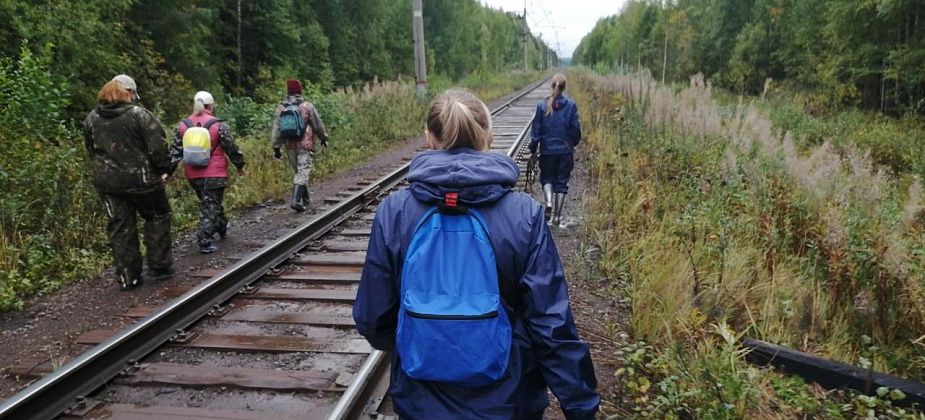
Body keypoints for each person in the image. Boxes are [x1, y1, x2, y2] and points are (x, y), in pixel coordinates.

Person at [353, 89, 600, 419]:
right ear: (488, 135)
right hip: (508, 399)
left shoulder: (394, 212)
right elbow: (551, 325)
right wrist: (578, 403)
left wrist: (424, 339)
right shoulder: (524, 214)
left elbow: (373, 318)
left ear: (429, 137)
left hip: (420, 400)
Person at [82, 75, 173, 291]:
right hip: (143, 180)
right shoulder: (139, 115)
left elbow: (91, 150)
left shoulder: (91, 119)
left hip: (108, 184)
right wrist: (164, 170)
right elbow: (158, 148)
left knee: (120, 227)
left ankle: (128, 276)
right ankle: (159, 268)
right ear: (129, 93)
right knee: (157, 216)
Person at [168, 91, 246, 254]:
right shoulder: (218, 125)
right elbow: (231, 148)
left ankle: (221, 226)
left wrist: (168, 171)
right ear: (210, 106)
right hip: (215, 174)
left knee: (210, 202)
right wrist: (240, 165)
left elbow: (175, 151)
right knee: (210, 205)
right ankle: (204, 240)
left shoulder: (183, 125)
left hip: (193, 175)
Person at [528, 73, 582, 228]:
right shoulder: (571, 105)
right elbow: (575, 129)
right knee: (562, 182)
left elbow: (536, 131)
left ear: (552, 86)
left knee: (547, 179)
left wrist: (533, 149)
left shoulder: (541, 106)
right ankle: (557, 217)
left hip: (547, 151)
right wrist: (573, 143)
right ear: (564, 88)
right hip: (565, 151)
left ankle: (549, 202)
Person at [271, 79, 330, 212]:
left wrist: (276, 147)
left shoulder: (281, 108)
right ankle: (296, 201)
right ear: (300, 91)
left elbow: (277, 129)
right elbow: (317, 125)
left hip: (289, 146)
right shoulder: (307, 106)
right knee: (303, 172)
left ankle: (306, 200)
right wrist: (323, 138)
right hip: (305, 144)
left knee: (299, 172)